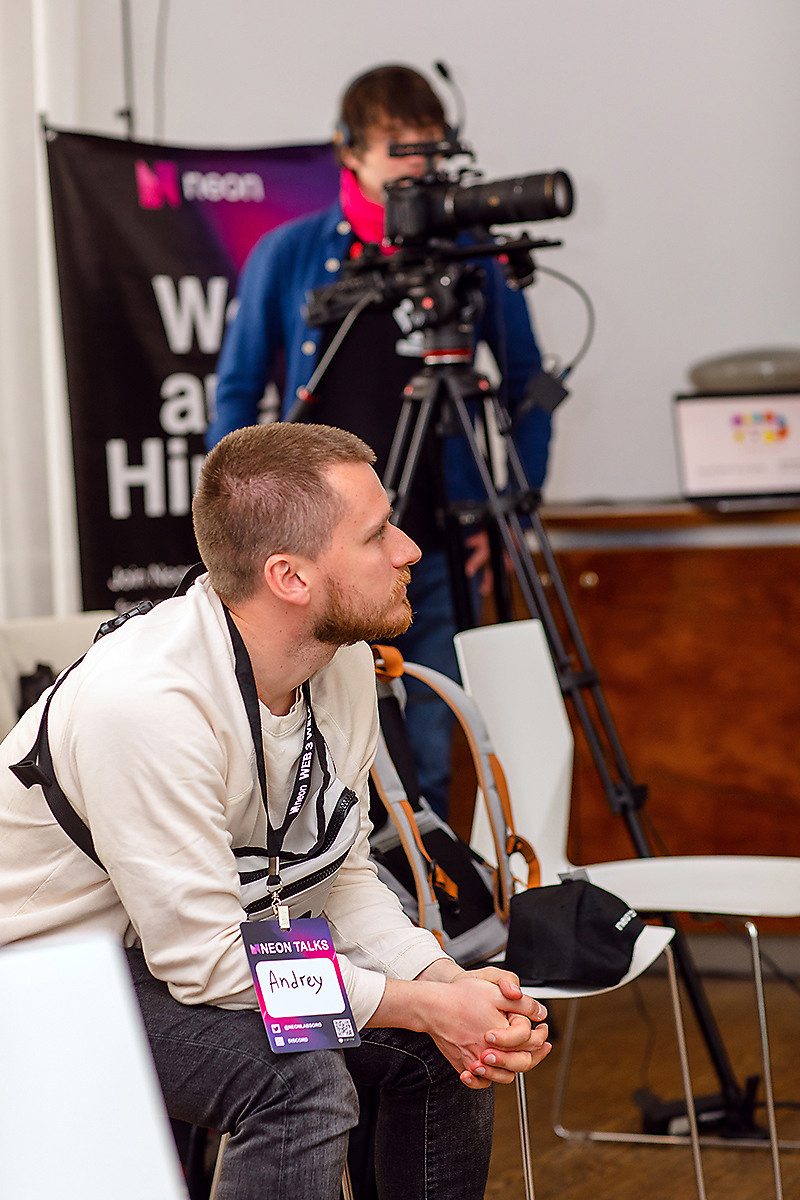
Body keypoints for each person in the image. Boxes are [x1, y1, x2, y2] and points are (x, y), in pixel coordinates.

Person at [0, 422, 551, 1200]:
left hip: (180, 952)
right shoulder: (147, 702)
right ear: (289, 576)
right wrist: (421, 1003)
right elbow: (208, 964)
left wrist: (443, 984)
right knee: (300, 1080)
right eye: (376, 535)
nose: (409, 551)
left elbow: (340, 876)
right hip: (42, 975)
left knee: (433, 1045)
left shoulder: (339, 661)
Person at [208, 64, 552, 819]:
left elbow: (528, 384)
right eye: (399, 147)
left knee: (424, 750)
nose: (416, 165)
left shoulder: (469, 253)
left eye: (430, 144)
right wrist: (240, 525)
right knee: (311, 756)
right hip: (311, 554)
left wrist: (508, 513)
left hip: (431, 546)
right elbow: (236, 393)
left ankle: (423, 896)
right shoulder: (289, 253)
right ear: (350, 152)